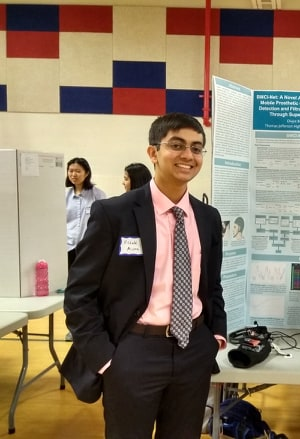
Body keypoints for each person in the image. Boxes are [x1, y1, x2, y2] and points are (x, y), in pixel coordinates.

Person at [62, 112, 227, 439]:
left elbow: (212, 285)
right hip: (133, 351)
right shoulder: (114, 213)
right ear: (153, 152)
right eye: (176, 145)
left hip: (193, 349)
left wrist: (214, 336)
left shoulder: (207, 218)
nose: (188, 156)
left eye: (196, 148)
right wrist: (106, 358)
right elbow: (79, 294)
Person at [65, 157, 107, 268]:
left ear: (86, 173)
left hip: (88, 247)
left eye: (78, 171)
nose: (74, 174)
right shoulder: (64, 195)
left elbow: (103, 222)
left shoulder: (97, 194)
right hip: (67, 246)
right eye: (71, 171)